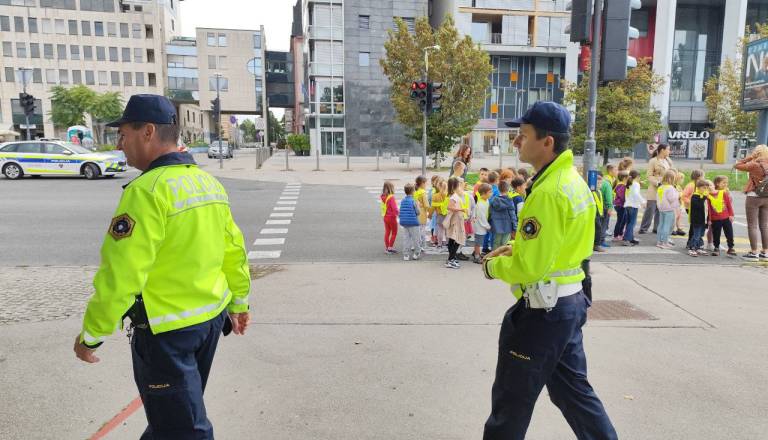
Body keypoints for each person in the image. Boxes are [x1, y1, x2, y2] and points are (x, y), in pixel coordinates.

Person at [73, 94, 252, 439]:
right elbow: (234, 250)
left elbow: (120, 275)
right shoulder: (208, 183)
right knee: (172, 419)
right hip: (208, 324)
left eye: (123, 135)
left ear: (148, 132)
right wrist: (239, 303)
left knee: (186, 429)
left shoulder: (147, 191)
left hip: (166, 335)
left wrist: (91, 336)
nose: (120, 145)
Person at [481, 101, 616, 439]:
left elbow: (529, 267)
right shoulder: (573, 182)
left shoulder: (548, 193)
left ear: (547, 142)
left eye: (522, 135)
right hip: (568, 305)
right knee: (574, 394)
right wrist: (521, 247)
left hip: (542, 313)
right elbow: (574, 244)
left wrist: (493, 266)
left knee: (510, 404)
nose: (516, 142)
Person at [733, 144, 768, 261]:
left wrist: (749, 157)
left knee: (752, 225)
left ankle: (754, 253)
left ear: (756, 153)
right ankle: (765, 252)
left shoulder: (754, 165)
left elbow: (737, 165)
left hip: (754, 196)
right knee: (764, 225)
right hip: (767, 197)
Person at [639, 143, 674, 234]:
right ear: (662, 150)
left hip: (665, 189)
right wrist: (657, 183)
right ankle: (643, 228)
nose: (669, 151)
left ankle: (656, 228)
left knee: (660, 209)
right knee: (650, 209)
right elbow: (649, 176)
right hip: (655, 188)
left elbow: (672, 172)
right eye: (668, 149)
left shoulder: (668, 160)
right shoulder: (653, 161)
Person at [708, 175, 736, 256]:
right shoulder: (708, 196)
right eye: (723, 183)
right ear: (717, 183)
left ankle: (731, 247)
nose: (725, 184)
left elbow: (728, 204)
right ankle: (716, 247)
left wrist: (731, 214)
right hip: (715, 218)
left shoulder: (723, 193)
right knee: (716, 233)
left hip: (726, 217)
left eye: (726, 183)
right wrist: (709, 219)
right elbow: (709, 209)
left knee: (729, 233)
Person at [445, 177, 468, 268]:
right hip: (455, 221)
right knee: (457, 240)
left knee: (453, 240)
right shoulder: (454, 196)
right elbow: (449, 207)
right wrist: (461, 209)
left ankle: (452, 258)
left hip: (456, 220)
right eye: (459, 185)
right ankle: (450, 260)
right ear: (456, 186)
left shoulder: (453, 195)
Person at [489, 180, 517, 250]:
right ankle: (501, 257)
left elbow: (490, 212)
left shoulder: (493, 200)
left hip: (496, 225)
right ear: (508, 189)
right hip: (507, 225)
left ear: (498, 189)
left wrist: (489, 222)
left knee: (496, 242)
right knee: (505, 243)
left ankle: (493, 257)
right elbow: (512, 215)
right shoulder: (509, 200)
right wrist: (515, 227)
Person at [656, 169, 680, 249]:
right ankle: (665, 242)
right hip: (669, 209)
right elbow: (672, 198)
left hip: (661, 208)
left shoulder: (661, 187)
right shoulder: (670, 188)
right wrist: (678, 194)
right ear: (671, 179)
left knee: (661, 225)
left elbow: (658, 198)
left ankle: (659, 241)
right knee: (667, 225)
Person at [686, 179, 710, 257]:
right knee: (696, 235)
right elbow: (698, 206)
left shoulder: (703, 197)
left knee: (701, 234)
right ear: (698, 187)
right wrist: (704, 198)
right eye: (704, 188)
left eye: (707, 188)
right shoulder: (695, 196)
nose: (705, 190)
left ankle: (698, 247)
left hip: (703, 220)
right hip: (696, 220)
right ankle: (692, 248)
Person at [399, 183, 421, 261]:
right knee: (416, 239)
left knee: (406, 239)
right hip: (414, 223)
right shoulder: (414, 201)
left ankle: (406, 255)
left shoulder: (403, 201)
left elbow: (400, 211)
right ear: (413, 191)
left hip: (405, 223)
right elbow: (418, 212)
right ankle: (416, 253)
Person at [472, 184, 493, 263]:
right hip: (480, 226)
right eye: (490, 192)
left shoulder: (486, 200)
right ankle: (476, 257)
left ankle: (476, 253)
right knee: (478, 242)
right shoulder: (480, 204)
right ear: (484, 193)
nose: (491, 193)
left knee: (479, 241)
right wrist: (487, 226)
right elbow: (482, 217)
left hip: (482, 226)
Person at [623, 169, 644, 246]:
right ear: (637, 177)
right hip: (633, 206)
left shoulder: (629, 184)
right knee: (632, 223)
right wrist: (643, 202)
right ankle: (627, 239)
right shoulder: (636, 184)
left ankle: (630, 238)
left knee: (629, 223)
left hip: (628, 205)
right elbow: (636, 194)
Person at [381, 181, 399, 254]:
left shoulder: (383, 196)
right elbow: (394, 208)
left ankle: (387, 247)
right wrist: (399, 214)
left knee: (387, 232)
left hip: (385, 216)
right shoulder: (391, 198)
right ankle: (390, 248)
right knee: (394, 232)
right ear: (391, 188)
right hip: (392, 217)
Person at [431, 179, 449, 251]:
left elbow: (433, 206)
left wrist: (431, 213)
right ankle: (448, 244)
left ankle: (439, 244)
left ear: (438, 187)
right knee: (447, 230)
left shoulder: (435, 196)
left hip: (439, 215)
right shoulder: (448, 195)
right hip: (447, 215)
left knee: (440, 230)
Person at [598, 170, 615, 248]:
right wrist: (610, 207)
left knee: (597, 225)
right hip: (605, 208)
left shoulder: (591, 183)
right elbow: (609, 197)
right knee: (604, 225)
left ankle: (596, 241)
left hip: (596, 207)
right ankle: (601, 241)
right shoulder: (606, 184)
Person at [414, 176, 430, 253]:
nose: (426, 185)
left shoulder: (415, 191)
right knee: (422, 230)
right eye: (425, 183)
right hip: (422, 213)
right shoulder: (423, 193)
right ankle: (422, 246)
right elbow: (426, 204)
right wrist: (429, 212)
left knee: (416, 230)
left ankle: (415, 245)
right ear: (422, 183)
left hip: (415, 213)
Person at [612, 171, 629, 241]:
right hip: (620, 205)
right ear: (624, 178)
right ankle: (616, 235)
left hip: (621, 205)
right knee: (620, 220)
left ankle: (620, 234)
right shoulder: (621, 185)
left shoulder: (621, 184)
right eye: (628, 177)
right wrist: (627, 201)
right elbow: (622, 196)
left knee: (623, 220)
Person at [672, 171, 687, 236]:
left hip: (679, 205)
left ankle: (679, 228)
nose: (683, 180)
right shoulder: (674, 186)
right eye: (682, 178)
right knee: (674, 217)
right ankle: (672, 229)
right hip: (675, 205)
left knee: (679, 217)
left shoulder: (679, 186)